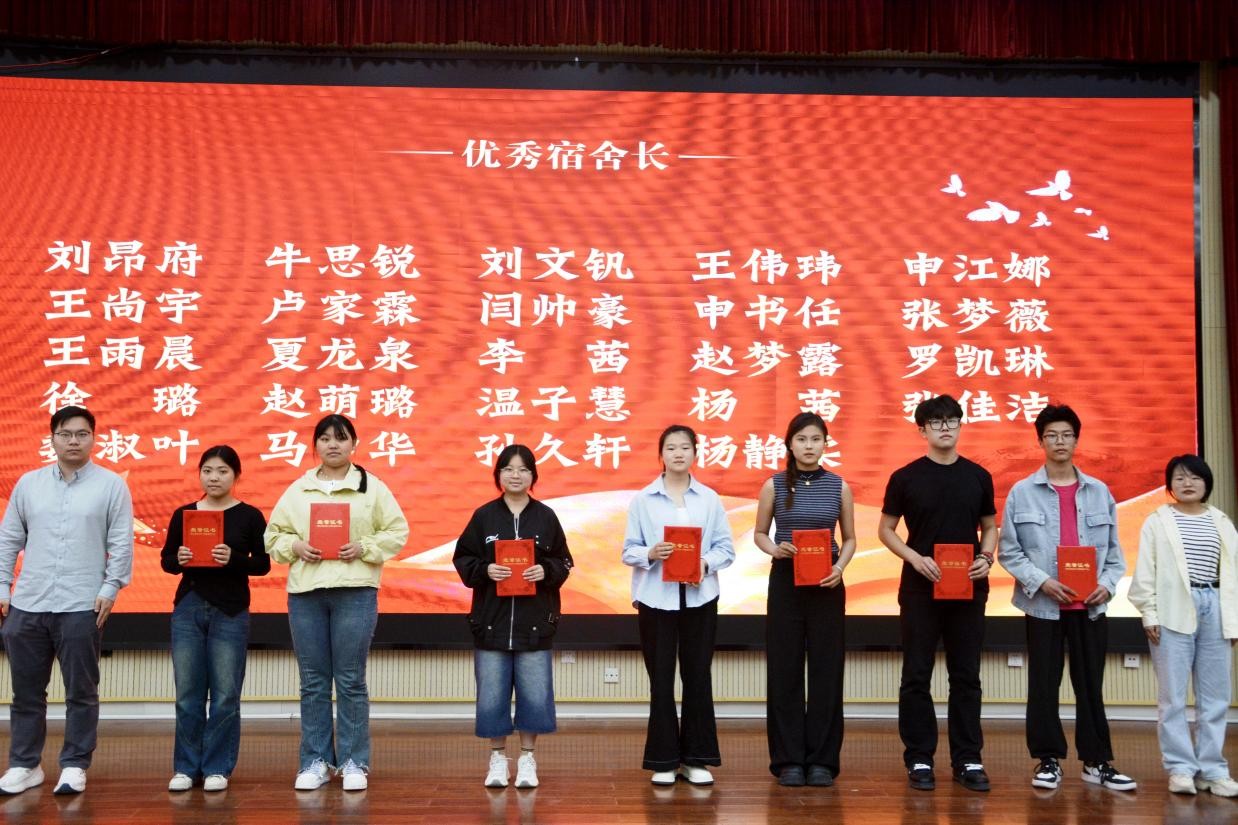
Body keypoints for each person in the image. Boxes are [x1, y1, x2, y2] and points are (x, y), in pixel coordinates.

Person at [264, 414, 408, 792]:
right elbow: (273, 536)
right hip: (306, 594)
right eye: (325, 438)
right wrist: (295, 546)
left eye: (341, 438)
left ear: (353, 445)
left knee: (350, 679)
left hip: (355, 591)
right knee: (313, 682)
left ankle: (353, 761)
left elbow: (397, 531)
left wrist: (364, 547)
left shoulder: (371, 487)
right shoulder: (298, 489)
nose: (333, 445)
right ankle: (315, 761)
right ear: (315, 445)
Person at [997, 405, 1135, 791]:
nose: (1059, 441)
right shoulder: (1022, 492)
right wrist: (1042, 582)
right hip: (1044, 606)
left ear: (1076, 440)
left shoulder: (1100, 492)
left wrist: (1107, 585)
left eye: (1066, 435)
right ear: (1040, 441)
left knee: (1090, 684)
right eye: (1051, 435)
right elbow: (1009, 551)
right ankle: (1048, 760)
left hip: (1090, 607)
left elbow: (1115, 554)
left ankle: (1097, 761)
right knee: (1043, 684)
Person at [0, 405, 133, 796]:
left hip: (82, 603)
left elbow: (121, 541)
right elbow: (9, 539)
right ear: (53, 438)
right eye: (65, 434)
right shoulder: (29, 484)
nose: (73, 441)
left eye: (81, 434)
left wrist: (110, 588)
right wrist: (3, 587)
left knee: (81, 692)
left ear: (93, 438)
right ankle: (25, 765)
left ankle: (75, 765)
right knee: (26, 693)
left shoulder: (111, 485)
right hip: (28, 603)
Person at [878, 394, 996, 792]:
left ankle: (968, 758)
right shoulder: (905, 477)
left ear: (960, 425)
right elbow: (886, 530)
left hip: (968, 587)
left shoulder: (978, 476)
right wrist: (915, 558)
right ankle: (919, 757)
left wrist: (986, 557)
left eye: (951, 420)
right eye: (936, 422)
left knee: (967, 676)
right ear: (922, 430)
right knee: (916, 674)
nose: (945, 427)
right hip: (919, 588)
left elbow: (989, 526)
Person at [453, 444, 573, 789]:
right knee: (492, 696)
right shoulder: (484, 516)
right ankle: (497, 758)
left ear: (533, 475)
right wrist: (485, 569)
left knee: (535, 696)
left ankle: (527, 758)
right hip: (491, 622)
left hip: (535, 623)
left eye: (523, 469)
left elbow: (564, 561)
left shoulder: (546, 516)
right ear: (498, 475)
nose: (515, 475)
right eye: (508, 469)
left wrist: (545, 570)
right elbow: (463, 558)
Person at [622, 424, 735, 786]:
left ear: (695, 453)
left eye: (685, 447)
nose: (678, 453)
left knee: (698, 676)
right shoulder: (643, 500)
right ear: (661, 455)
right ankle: (664, 760)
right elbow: (628, 551)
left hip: (700, 598)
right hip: (656, 599)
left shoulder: (710, 499)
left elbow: (726, 549)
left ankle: (696, 759)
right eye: (671, 448)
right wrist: (651, 553)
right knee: (661, 680)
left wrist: (704, 564)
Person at [160, 445, 271, 792]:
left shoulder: (249, 515)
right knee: (187, 694)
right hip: (189, 607)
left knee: (225, 695)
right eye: (207, 471)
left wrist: (233, 558)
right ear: (199, 474)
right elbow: (166, 561)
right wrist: (179, 558)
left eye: (222, 471)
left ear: (236, 476)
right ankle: (185, 768)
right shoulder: (184, 514)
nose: (214, 477)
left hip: (231, 611)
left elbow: (263, 564)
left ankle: (217, 768)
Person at [754, 412, 856, 787]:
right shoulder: (774, 485)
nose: (809, 446)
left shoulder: (839, 486)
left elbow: (850, 539)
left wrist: (840, 567)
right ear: (790, 445)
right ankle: (788, 761)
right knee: (785, 671)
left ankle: (823, 762)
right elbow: (760, 533)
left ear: (825, 443)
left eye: (815, 439)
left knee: (827, 671)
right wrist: (775, 549)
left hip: (827, 582)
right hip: (786, 581)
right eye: (801, 439)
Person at [1129, 454, 1238, 798]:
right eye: (1179, 478)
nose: (1187, 483)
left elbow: (1234, 574)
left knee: (1215, 697)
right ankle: (1180, 769)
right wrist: (1150, 613)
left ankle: (1213, 771)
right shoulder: (1157, 521)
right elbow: (1145, 570)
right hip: (1172, 608)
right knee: (1172, 697)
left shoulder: (1222, 521)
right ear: (1170, 486)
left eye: (1194, 477)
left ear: (1207, 483)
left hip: (1215, 607)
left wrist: (1233, 620)